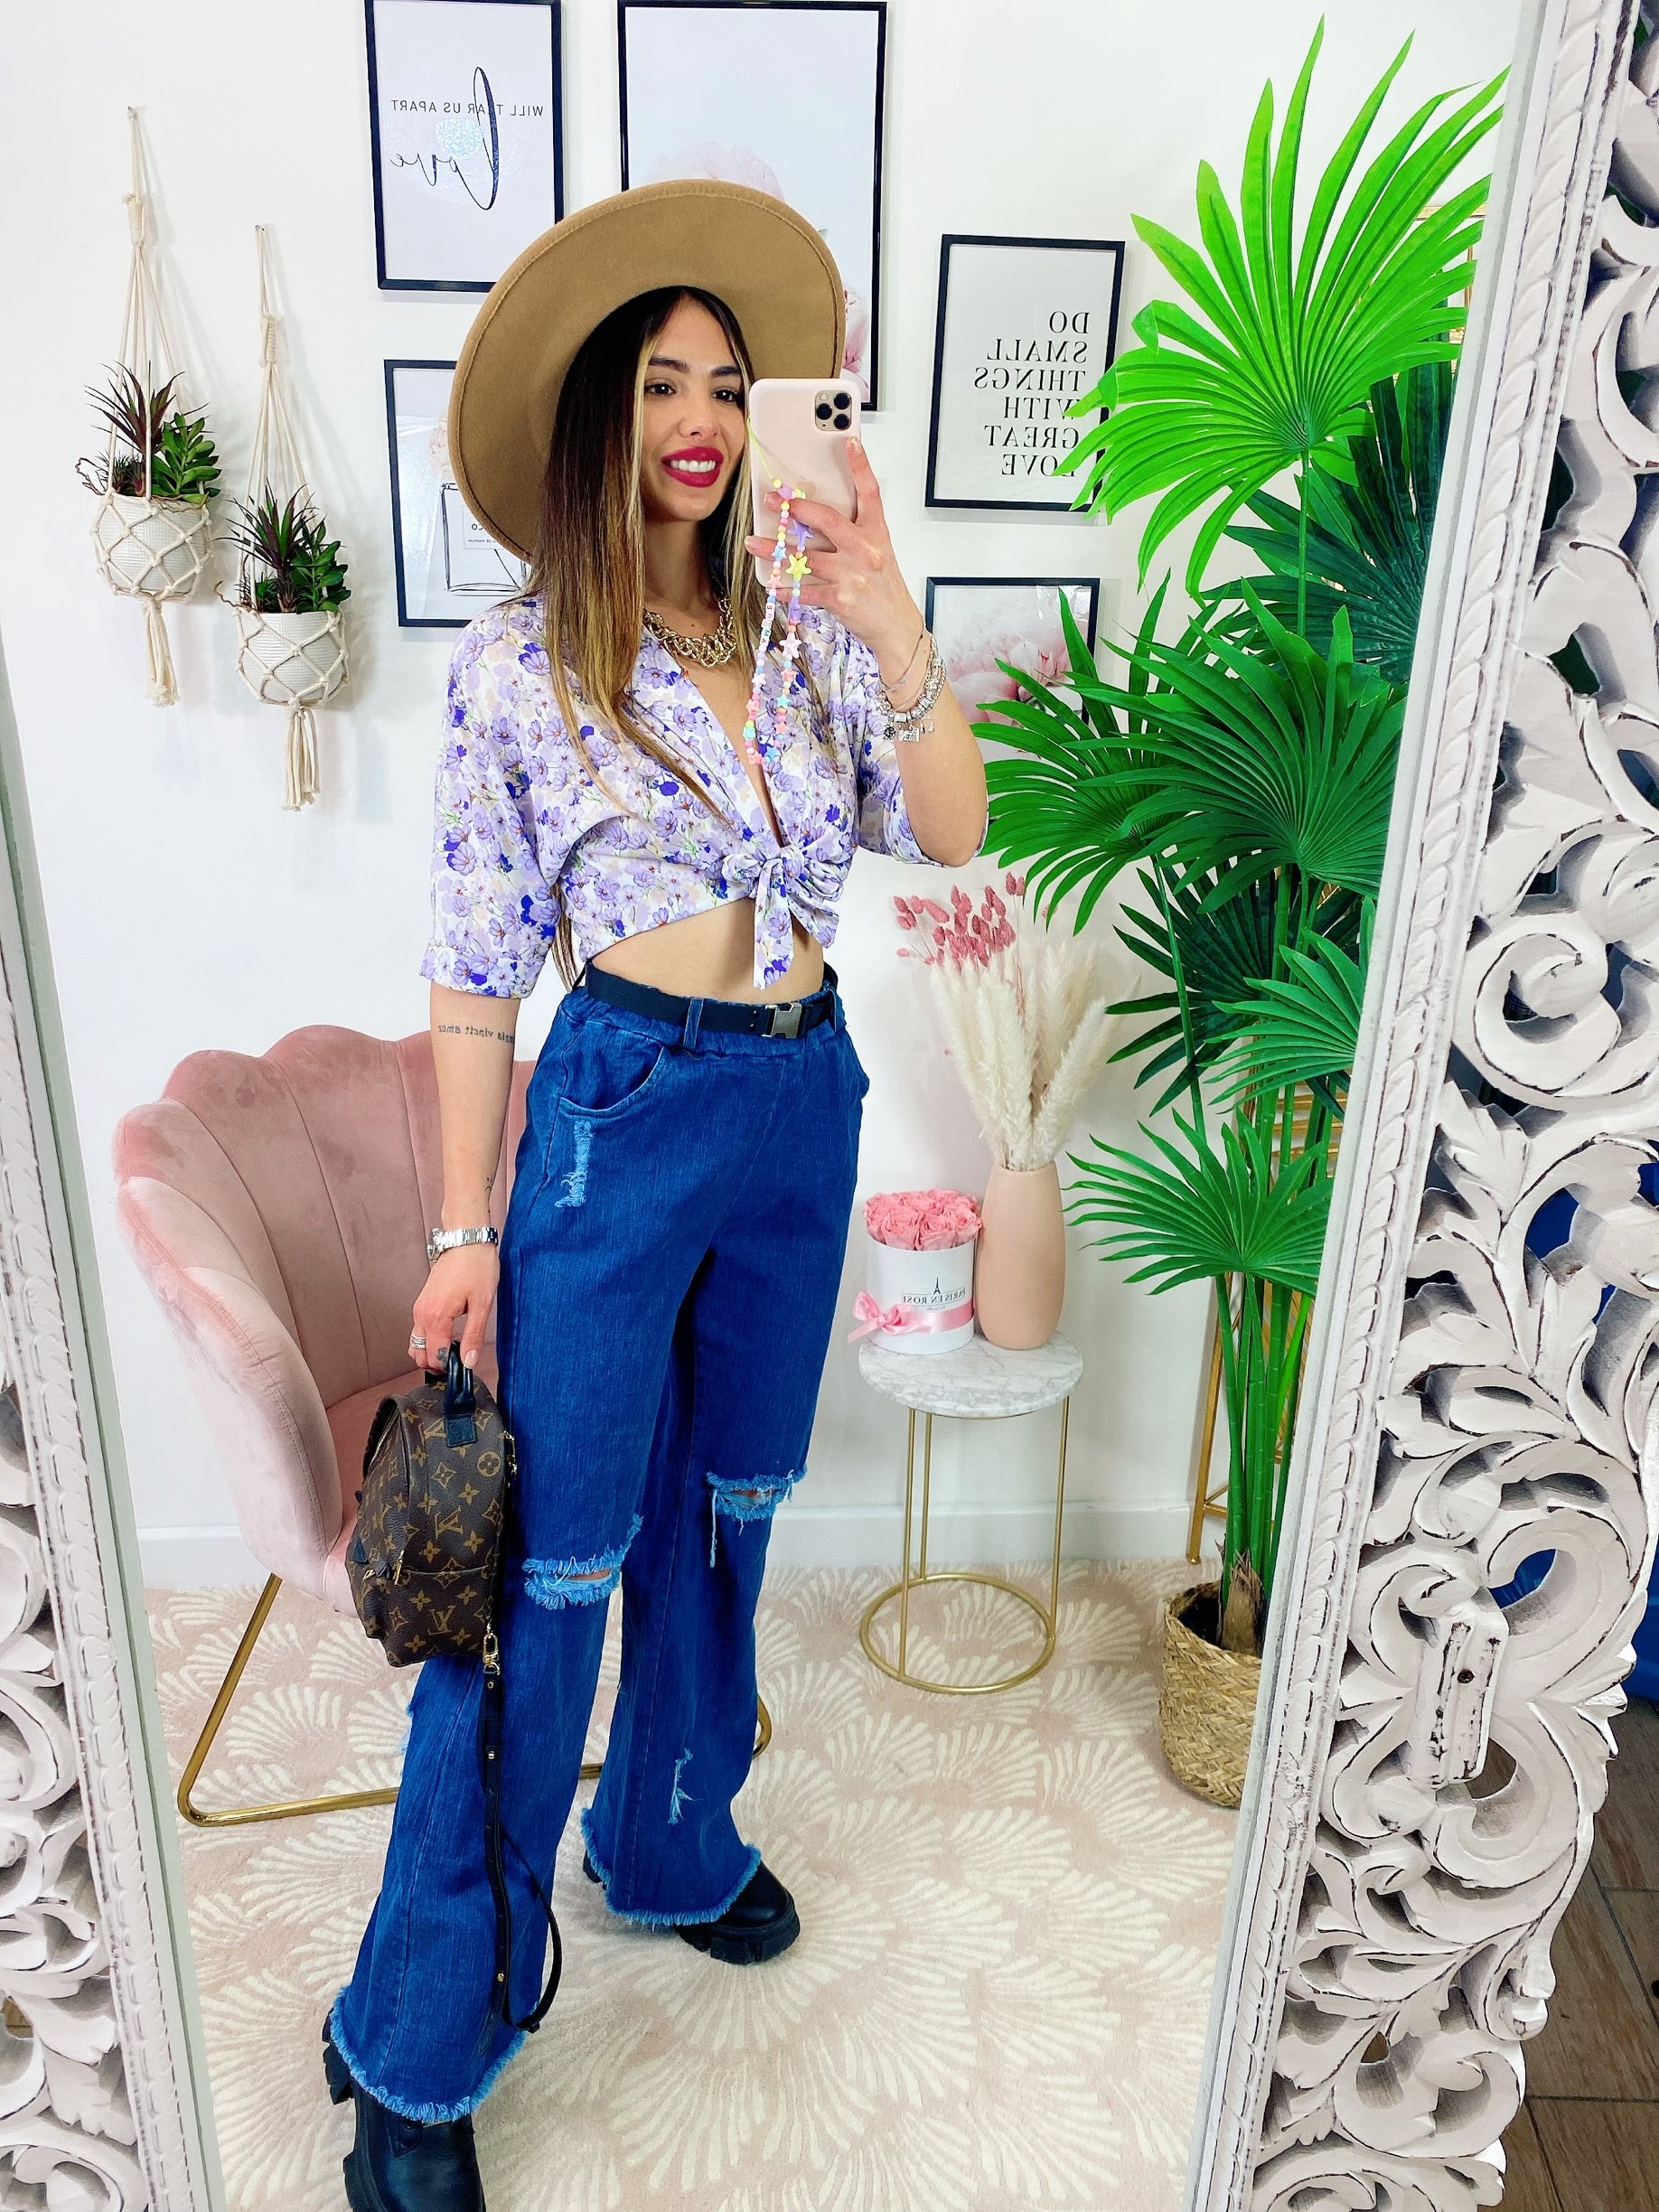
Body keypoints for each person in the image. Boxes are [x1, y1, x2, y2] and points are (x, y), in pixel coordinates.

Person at [322, 180, 988, 2212]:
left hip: (800, 1101)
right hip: (619, 1112)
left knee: (725, 1517)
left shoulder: (804, 636)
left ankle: (673, 1840)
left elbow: (956, 830)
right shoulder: (516, 662)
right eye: (662, 385)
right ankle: (420, 2040)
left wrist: (889, 608)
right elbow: (472, 972)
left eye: (728, 385)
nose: (701, 421)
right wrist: (463, 1232)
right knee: (546, 1572)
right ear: (599, 415)